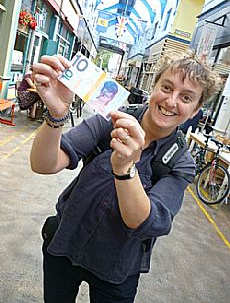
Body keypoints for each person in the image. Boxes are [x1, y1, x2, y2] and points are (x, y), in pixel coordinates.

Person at [31, 50, 220, 303]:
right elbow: (44, 164)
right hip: (66, 241)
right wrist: (56, 115)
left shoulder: (180, 162)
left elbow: (145, 222)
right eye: (166, 87)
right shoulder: (110, 120)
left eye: (186, 97)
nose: (171, 101)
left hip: (117, 268)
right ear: (153, 88)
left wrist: (125, 169)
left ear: (196, 110)